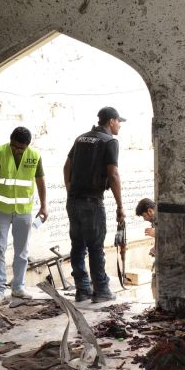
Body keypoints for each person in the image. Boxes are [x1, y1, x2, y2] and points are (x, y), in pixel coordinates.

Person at [63, 106, 125, 303]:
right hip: (92, 202)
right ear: (111, 121)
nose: (119, 126)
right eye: (118, 122)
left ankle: (82, 290)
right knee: (95, 247)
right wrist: (120, 206)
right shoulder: (110, 142)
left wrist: (70, 190)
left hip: (73, 201)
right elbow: (113, 175)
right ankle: (101, 290)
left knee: (78, 246)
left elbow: (66, 167)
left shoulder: (80, 139)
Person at [0, 127, 47, 304]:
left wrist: (44, 206)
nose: (17, 150)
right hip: (1, 210)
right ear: (11, 141)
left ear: (27, 145)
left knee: (22, 252)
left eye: (21, 148)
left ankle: (18, 288)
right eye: (14, 146)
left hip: (24, 211)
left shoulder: (34, 156)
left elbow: (40, 181)